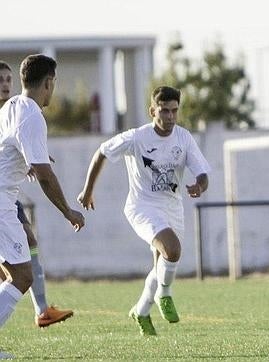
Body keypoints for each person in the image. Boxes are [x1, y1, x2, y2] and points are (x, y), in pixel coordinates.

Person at [77, 86, 210, 336]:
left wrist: (200, 186)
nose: (170, 116)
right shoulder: (137, 137)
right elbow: (102, 153)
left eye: (174, 111)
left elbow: (202, 172)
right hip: (143, 207)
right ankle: (165, 294)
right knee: (172, 249)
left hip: (172, 209)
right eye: (164, 111)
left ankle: (141, 310)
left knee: (161, 264)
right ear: (152, 110)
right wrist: (88, 190)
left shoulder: (183, 138)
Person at [0, 54, 85, 350]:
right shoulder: (33, 115)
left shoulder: (11, 106)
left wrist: (31, 161)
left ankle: (42, 311)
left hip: (5, 202)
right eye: (54, 83)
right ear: (48, 82)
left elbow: (12, 148)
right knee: (21, 276)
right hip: (1, 203)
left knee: (13, 273)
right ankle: (42, 311)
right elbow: (46, 177)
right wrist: (68, 211)